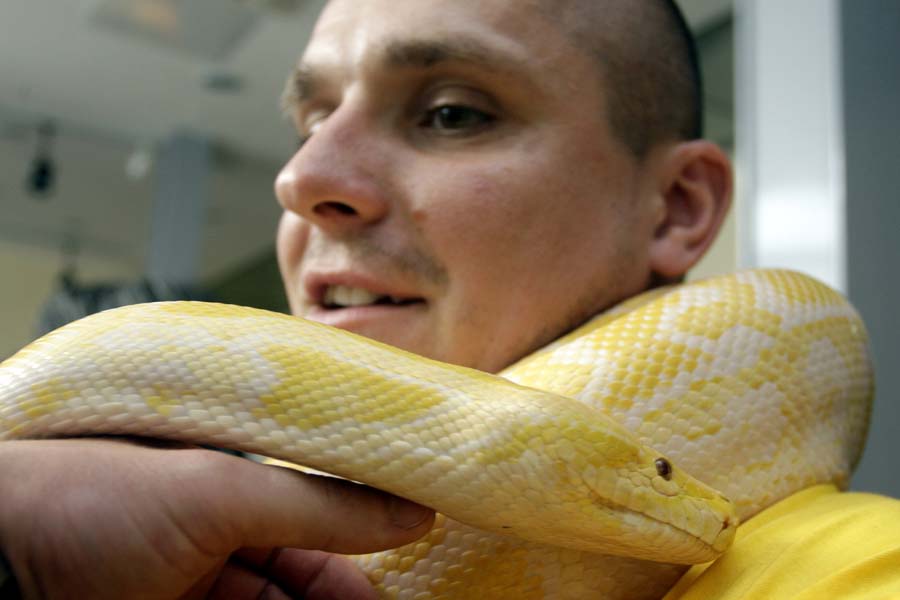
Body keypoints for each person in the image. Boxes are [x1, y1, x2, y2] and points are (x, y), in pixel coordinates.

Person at [1, 0, 898, 598]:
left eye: (454, 112)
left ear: (676, 207)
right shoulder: (135, 550)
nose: (303, 178)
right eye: (310, 122)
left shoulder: (857, 572)